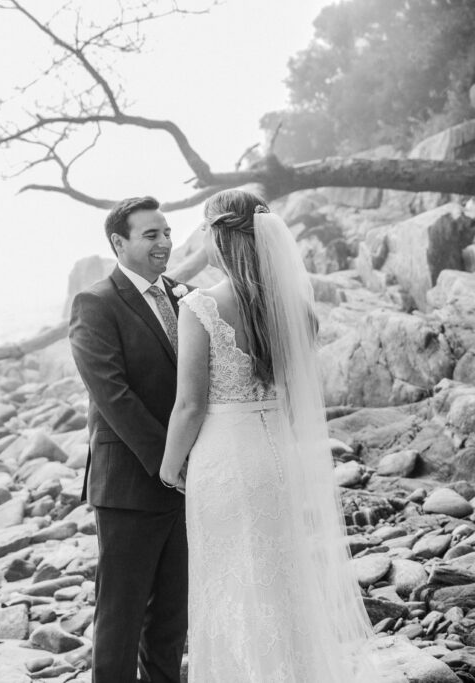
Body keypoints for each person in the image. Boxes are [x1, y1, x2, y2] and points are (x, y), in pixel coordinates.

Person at [159, 189, 384, 681]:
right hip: (276, 454)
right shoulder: (294, 308)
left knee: (229, 584)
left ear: (218, 236)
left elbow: (190, 403)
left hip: (223, 459)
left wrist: (169, 464)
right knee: (282, 581)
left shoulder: (201, 306)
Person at [69, 196, 191, 683]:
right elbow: (113, 395)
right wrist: (170, 462)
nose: (164, 242)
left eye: (166, 233)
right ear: (119, 243)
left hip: (187, 483)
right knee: (119, 619)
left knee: (170, 618)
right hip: (129, 486)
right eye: (151, 235)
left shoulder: (187, 295)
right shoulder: (95, 303)